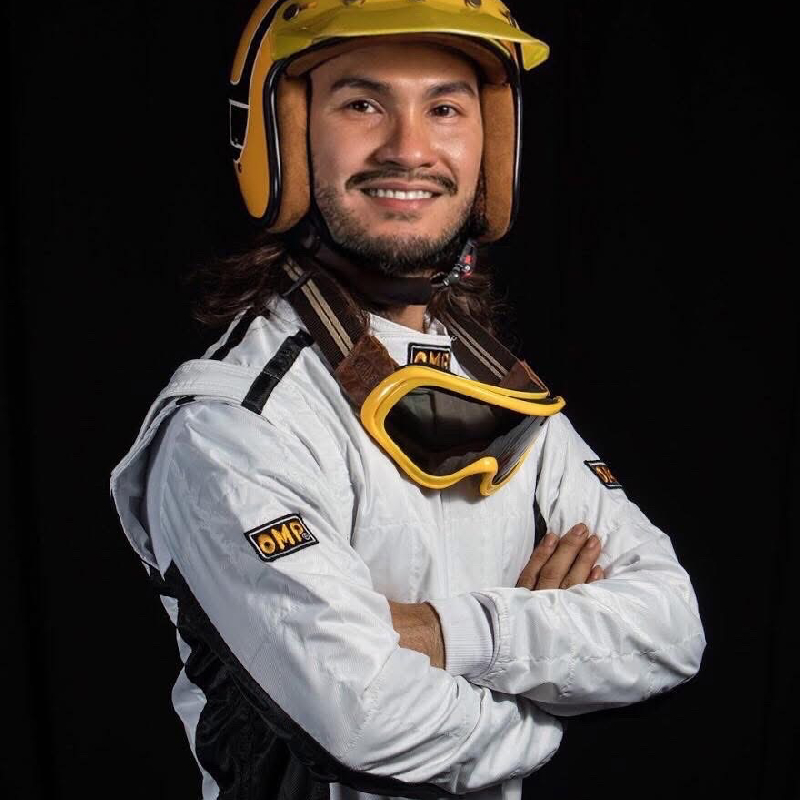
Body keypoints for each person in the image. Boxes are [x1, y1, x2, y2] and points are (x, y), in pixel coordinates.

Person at [111, 2, 706, 799]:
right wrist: (545, 701)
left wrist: (446, 634)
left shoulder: (506, 395)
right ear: (282, 135)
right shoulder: (232, 423)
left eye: (446, 108)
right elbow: (366, 723)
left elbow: (671, 626)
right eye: (363, 104)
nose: (410, 149)